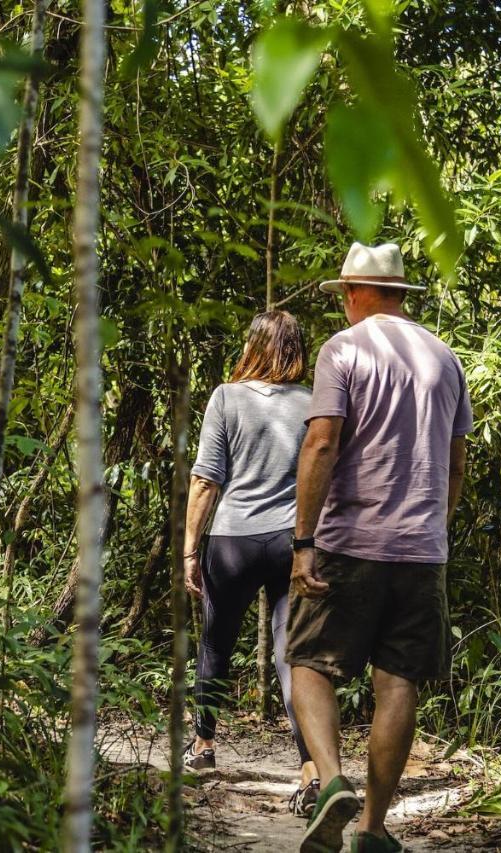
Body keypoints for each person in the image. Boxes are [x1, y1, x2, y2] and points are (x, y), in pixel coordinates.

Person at [287, 242, 472, 853]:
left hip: (350, 541)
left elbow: (321, 443)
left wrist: (304, 541)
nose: (343, 303)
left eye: (344, 292)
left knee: (310, 663)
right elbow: (456, 458)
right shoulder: (445, 358)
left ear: (357, 292)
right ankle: (372, 828)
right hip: (422, 551)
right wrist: (434, 528)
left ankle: (332, 778)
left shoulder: (344, 350)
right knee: (398, 684)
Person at [182, 310, 322, 817]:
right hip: (293, 541)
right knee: (293, 655)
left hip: (235, 540)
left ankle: (202, 746)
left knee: (216, 643)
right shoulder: (312, 404)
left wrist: (190, 548)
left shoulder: (226, 396)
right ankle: (310, 767)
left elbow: (205, 480)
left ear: (253, 347)